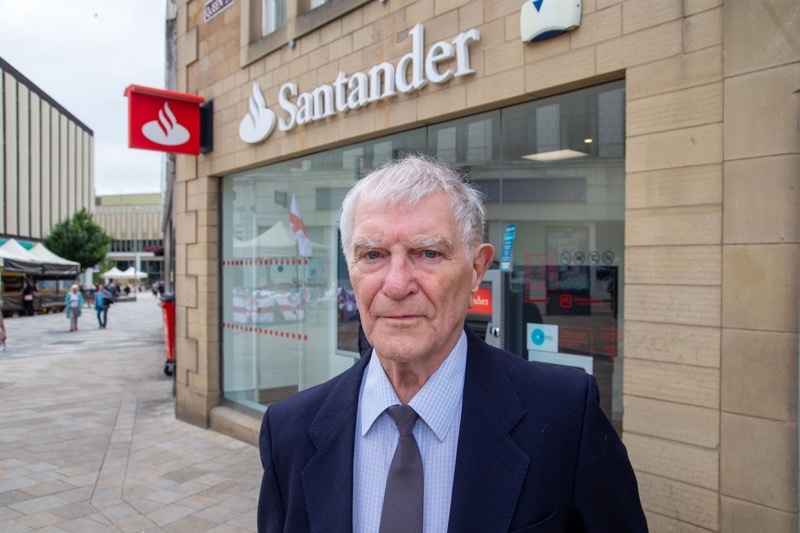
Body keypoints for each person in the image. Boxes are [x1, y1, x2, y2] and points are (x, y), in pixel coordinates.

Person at [257, 156, 647, 532]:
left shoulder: (564, 417)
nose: (396, 285)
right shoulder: (289, 430)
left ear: (476, 269)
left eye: (428, 253)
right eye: (372, 254)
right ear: (351, 268)